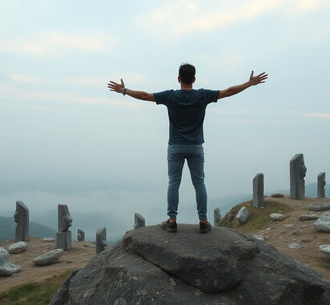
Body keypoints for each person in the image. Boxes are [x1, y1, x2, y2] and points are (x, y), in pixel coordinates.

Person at [108, 63, 268, 233]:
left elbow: (144, 95)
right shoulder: (202, 95)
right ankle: (203, 221)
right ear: (194, 79)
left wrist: (124, 91)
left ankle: (172, 220)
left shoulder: (170, 96)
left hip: (175, 146)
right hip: (196, 147)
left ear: (179, 79)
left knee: (173, 183)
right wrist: (249, 83)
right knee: (199, 183)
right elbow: (228, 91)